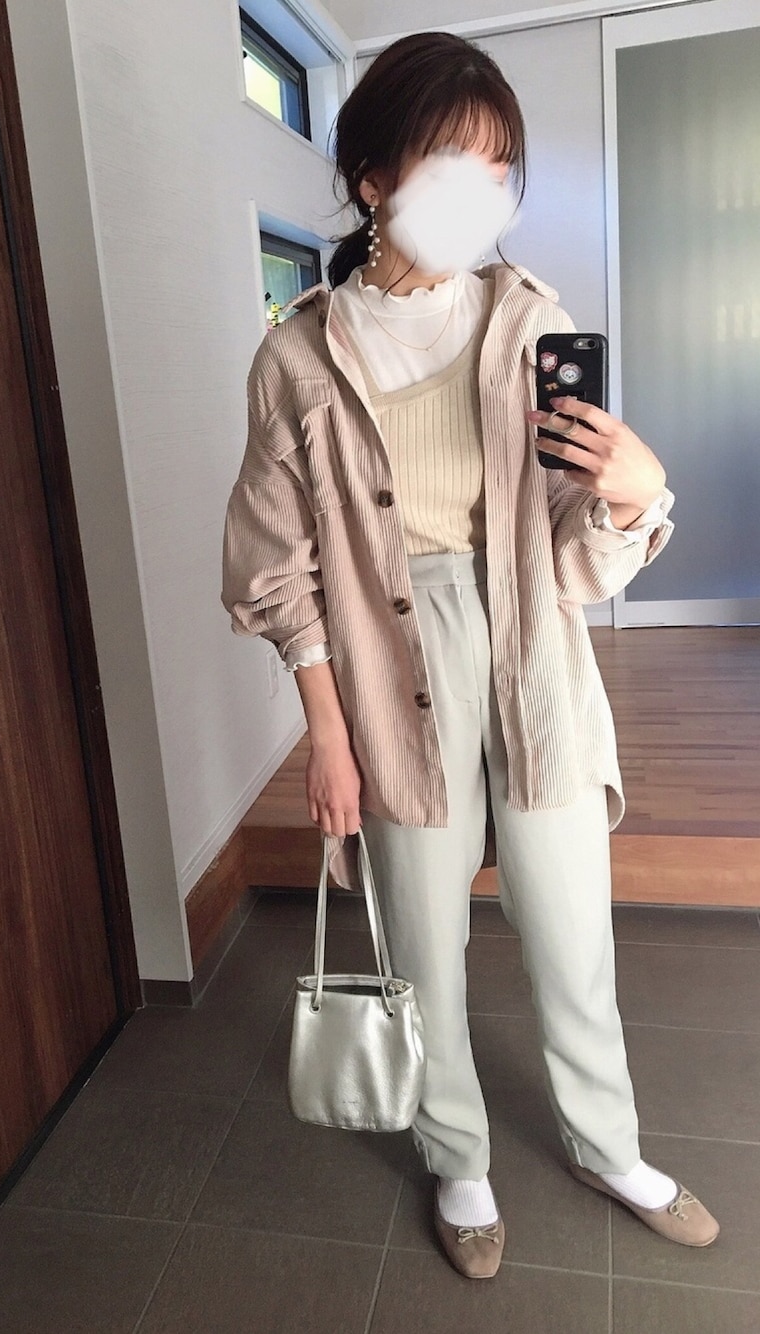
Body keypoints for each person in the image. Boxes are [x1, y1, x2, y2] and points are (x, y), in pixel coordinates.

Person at [221, 31, 719, 1280]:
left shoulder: (528, 321)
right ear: (374, 177)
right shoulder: (299, 356)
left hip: (533, 648)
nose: (482, 193)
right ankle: (456, 1155)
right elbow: (278, 568)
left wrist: (628, 494)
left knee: (571, 929)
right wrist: (326, 736)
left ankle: (606, 1144)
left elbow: (572, 561)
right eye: (452, 163)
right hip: (388, 661)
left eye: (499, 169)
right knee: (419, 939)